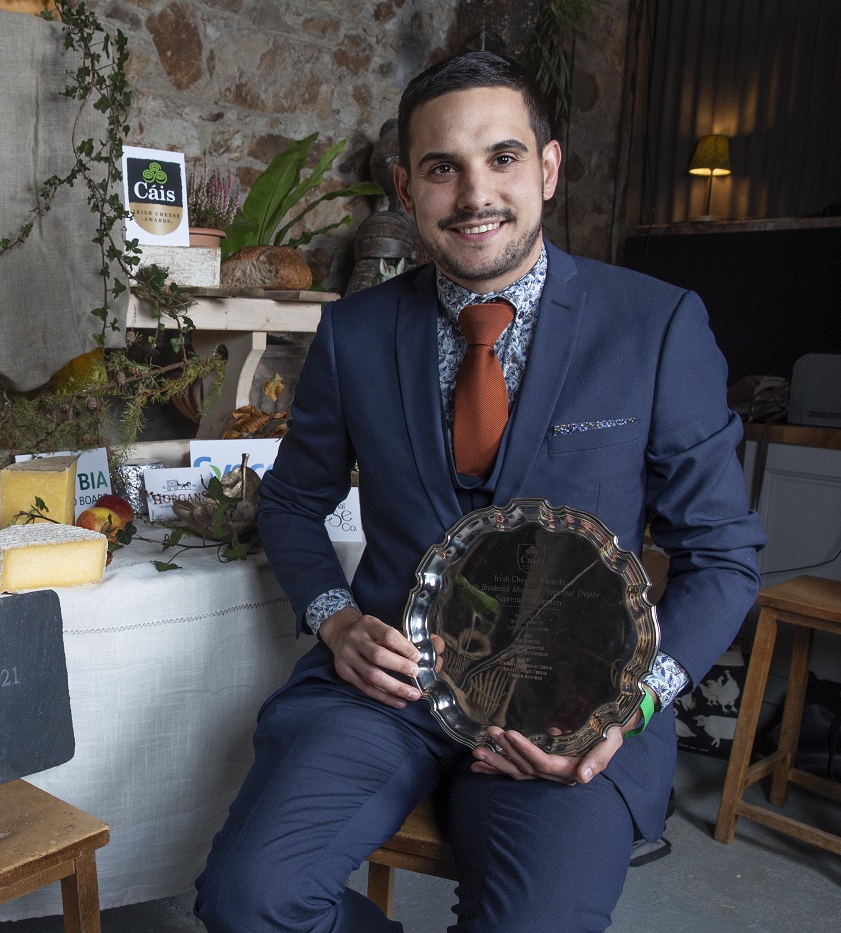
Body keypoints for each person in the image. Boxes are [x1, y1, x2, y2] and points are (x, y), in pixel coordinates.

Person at [193, 51, 765, 933]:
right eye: (442, 168)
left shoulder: (654, 327)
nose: (474, 195)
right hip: (391, 693)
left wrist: (632, 701)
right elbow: (293, 502)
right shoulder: (353, 333)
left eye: (502, 158)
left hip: (574, 707)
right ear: (405, 187)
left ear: (548, 167)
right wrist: (335, 620)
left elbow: (723, 557)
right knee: (249, 900)